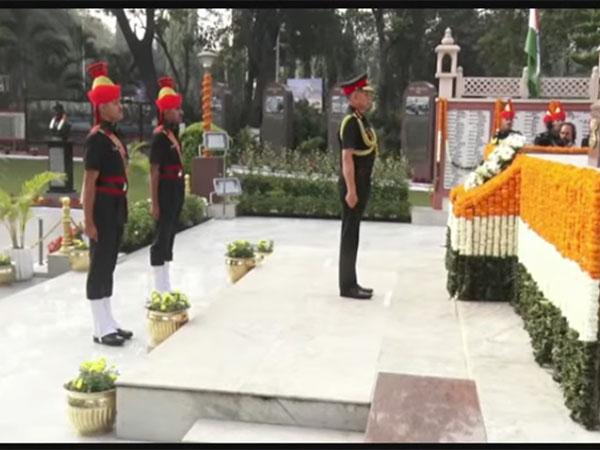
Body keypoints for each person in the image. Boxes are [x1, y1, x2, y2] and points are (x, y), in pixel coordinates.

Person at [81, 61, 132, 347]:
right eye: (114, 102)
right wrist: (88, 221)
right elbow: (90, 183)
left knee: (109, 264)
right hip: (101, 207)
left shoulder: (114, 137)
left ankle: (109, 320)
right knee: (99, 265)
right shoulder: (96, 140)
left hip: (116, 205)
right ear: (101, 108)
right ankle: (99, 328)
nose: (120, 106)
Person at [337, 73, 377, 300]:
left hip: (362, 182)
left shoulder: (361, 119)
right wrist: (351, 190)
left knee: (354, 233)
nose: (369, 97)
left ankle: (352, 282)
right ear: (354, 97)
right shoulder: (351, 122)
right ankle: (347, 286)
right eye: (365, 94)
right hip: (353, 185)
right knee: (349, 235)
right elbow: (347, 158)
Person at [149, 76, 185, 293]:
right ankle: (159, 286)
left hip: (176, 188)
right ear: (165, 112)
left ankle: (166, 283)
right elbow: (154, 172)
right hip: (164, 190)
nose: (179, 112)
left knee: (170, 233)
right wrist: (154, 202)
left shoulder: (173, 134)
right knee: (161, 236)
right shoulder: (159, 137)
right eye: (175, 109)